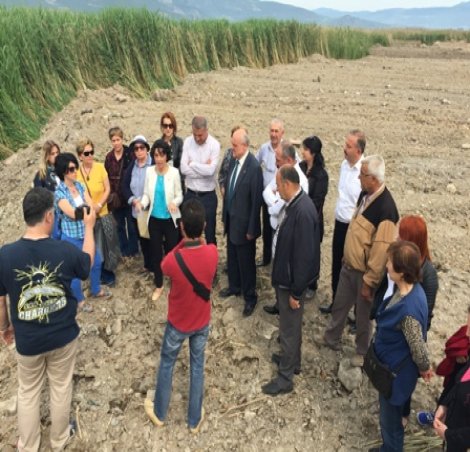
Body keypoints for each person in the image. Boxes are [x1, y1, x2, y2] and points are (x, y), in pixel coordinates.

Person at [0, 187, 95, 452]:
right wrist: (88, 228)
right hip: (62, 336)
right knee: (60, 386)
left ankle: (28, 445)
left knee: (28, 391)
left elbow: (0, 299)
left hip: (28, 341)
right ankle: (59, 439)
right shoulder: (63, 250)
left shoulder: (5, 255)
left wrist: (5, 328)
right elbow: (86, 265)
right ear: (49, 216)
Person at [315, 155, 399, 367]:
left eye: (362, 175)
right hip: (349, 266)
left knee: (362, 316)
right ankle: (331, 337)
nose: (359, 179)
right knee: (340, 305)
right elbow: (356, 229)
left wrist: (370, 282)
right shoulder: (365, 194)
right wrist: (347, 252)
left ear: (373, 178)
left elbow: (381, 250)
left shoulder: (386, 209)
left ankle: (362, 351)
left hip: (364, 274)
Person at [144, 198, 218, 433]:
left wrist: (181, 243)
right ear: (205, 226)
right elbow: (206, 247)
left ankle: (160, 413)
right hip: (202, 321)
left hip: (178, 323)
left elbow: (165, 264)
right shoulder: (213, 253)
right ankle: (194, 420)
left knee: (167, 363)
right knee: (197, 365)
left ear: (182, 226)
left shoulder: (173, 261)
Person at [371, 214, 439, 427]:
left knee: (396, 396)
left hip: (401, 348)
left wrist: (423, 364)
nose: (397, 236)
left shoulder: (423, 278)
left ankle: (399, 420)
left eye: (403, 234)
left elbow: (418, 331)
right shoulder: (406, 273)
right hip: (394, 334)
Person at [261, 165, 320, 395]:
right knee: (291, 326)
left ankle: (285, 378)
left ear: (287, 184)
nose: (276, 189)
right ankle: (292, 362)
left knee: (288, 328)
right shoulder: (296, 204)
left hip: (291, 284)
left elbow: (305, 258)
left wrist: (296, 293)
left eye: (278, 184)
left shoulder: (302, 212)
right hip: (287, 278)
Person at [55, 153, 109, 310]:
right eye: (71, 169)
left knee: (97, 262)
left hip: (86, 234)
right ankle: (79, 300)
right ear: (63, 171)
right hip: (71, 238)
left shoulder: (79, 186)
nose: (75, 171)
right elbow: (72, 213)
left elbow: (91, 205)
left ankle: (95, 289)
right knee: (75, 272)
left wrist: (88, 211)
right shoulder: (60, 193)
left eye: (75, 167)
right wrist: (88, 212)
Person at [320, 130, 365, 314]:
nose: (344, 149)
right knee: (337, 265)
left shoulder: (365, 171)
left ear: (359, 150)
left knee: (355, 268)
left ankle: (356, 313)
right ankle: (336, 304)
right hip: (340, 223)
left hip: (355, 228)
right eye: (345, 144)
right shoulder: (343, 166)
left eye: (348, 146)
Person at [219, 128, 263, 317]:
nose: (232, 148)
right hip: (231, 220)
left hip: (245, 227)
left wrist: (252, 228)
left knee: (246, 263)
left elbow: (255, 202)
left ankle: (250, 296)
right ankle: (234, 287)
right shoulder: (234, 162)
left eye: (235, 145)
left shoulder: (253, 168)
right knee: (232, 257)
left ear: (245, 146)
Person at [263, 142, 309, 315]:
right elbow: (266, 191)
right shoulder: (282, 170)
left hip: (288, 235)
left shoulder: (299, 180)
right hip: (278, 230)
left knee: (286, 273)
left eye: (278, 159)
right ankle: (279, 303)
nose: (275, 163)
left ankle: (285, 308)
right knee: (277, 270)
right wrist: (274, 202)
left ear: (289, 160)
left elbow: (276, 208)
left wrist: (273, 204)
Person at [141, 139, 183, 301]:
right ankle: (159, 284)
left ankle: (175, 282)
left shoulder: (174, 173)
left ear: (167, 156)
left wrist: (174, 203)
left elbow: (180, 195)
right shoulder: (149, 172)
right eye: (156, 155)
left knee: (172, 253)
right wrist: (142, 203)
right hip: (154, 220)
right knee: (156, 254)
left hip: (170, 219)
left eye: (162, 155)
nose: (159, 159)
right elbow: (146, 194)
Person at [75, 138, 118, 288]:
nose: (90, 156)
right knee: (95, 246)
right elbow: (77, 194)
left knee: (109, 244)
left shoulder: (100, 168)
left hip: (103, 212)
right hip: (89, 216)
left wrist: (100, 204)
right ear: (80, 155)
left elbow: (107, 188)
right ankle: (97, 274)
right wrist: (91, 207)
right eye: (86, 153)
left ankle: (108, 271)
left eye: (91, 152)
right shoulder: (76, 174)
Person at [433, 306, 470, 451]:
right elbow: (458, 383)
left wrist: (448, 435)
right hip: (453, 424)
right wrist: (445, 404)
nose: (466, 333)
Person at [180, 116, 220, 245]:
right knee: (188, 231)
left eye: (200, 135)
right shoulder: (187, 142)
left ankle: (210, 262)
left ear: (206, 130)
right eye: (195, 134)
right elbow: (183, 169)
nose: (197, 138)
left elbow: (210, 172)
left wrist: (193, 164)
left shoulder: (214, 145)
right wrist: (203, 166)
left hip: (207, 196)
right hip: (191, 194)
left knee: (210, 233)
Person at [104, 126, 139, 260]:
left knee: (131, 225)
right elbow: (106, 177)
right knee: (119, 226)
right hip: (116, 199)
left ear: (122, 139)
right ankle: (124, 250)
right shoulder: (109, 158)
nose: (116, 143)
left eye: (118, 139)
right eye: (113, 140)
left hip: (129, 197)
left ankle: (133, 250)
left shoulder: (129, 154)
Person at [121, 135, 153, 273]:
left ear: (147, 149)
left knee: (153, 239)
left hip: (151, 210)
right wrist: (133, 200)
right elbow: (124, 186)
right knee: (142, 239)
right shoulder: (131, 167)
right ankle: (147, 265)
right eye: (136, 148)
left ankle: (155, 266)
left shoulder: (153, 165)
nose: (139, 151)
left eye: (142, 147)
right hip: (136, 211)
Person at [255, 119, 284, 267]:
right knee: (266, 229)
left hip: (282, 200)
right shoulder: (264, 148)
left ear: (282, 133)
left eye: (276, 131)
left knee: (280, 230)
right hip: (266, 199)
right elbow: (255, 164)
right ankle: (266, 258)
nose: (273, 134)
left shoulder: (287, 149)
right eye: (271, 131)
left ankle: (278, 261)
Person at [299, 135, 329, 242]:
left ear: (314, 152)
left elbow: (317, 201)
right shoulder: (300, 167)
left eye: (306, 149)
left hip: (311, 220)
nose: (302, 152)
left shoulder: (321, 175)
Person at [33, 140, 61, 239]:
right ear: (47, 156)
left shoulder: (63, 169)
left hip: (66, 211)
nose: (56, 155)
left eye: (57, 152)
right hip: (51, 214)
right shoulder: (41, 175)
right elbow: (38, 199)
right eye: (53, 153)